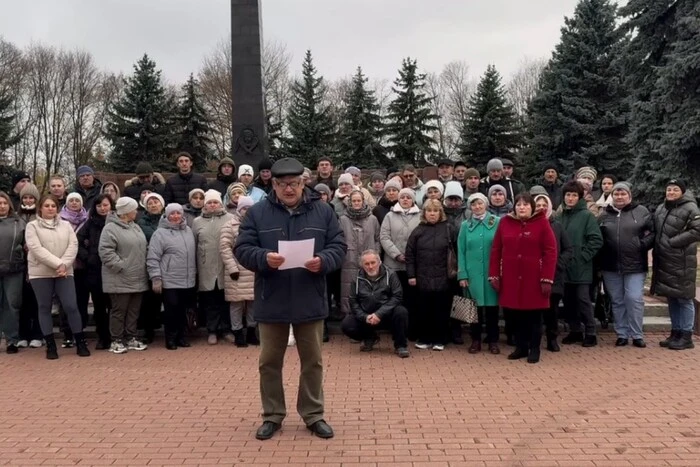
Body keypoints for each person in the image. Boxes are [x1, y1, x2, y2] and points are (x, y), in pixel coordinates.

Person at [234, 157, 346, 441]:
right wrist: (263, 258)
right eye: (283, 184)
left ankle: (313, 414)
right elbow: (243, 248)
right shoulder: (258, 213)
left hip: (310, 296)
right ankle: (272, 415)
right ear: (273, 184)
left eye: (294, 184)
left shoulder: (323, 211)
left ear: (303, 182)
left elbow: (339, 246)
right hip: (272, 297)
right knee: (269, 361)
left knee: (313, 361)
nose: (288, 189)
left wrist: (323, 260)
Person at [489, 193, 557, 364]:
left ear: (532, 207)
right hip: (511, 277)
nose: (521, 207)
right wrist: (494, 274)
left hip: (533, 278)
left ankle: (534, 349)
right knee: (514, 316)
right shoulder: (505, 222)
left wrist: (547, 278)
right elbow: (496, 249)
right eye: (518, 204)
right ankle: (521, 347)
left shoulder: (542, 223)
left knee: (533, 317)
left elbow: (550, 252)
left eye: (526, 204)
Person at [25, 195, 90, 359]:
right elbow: (36, 248)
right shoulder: (32, 226)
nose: (50, 208)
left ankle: (80, 341)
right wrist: (58, 264)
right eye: (46, 206)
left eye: (53, 206)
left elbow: (73, 245)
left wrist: (65, 264)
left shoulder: (66, 225)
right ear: (40, 208)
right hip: (41, 273)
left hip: (64, 272)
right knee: (44, 307)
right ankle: (51, 346)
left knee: (71, 306)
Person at [598, 182, 654, 348]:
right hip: (611, 265)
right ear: (612, 196)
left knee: (634, 298)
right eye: (616, 194)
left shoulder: (641, 212)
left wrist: (641, 245)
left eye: (623, 194)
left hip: (635, 264)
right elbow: (597, 238)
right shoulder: (603, 215)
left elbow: (652, 232)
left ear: (629, 196)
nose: (619, 197)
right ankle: (622, 333)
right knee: (617, 300)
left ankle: (636, 334)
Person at [652, 179, 700, 351]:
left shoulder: (690, 207)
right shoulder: (662, 207)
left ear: (682, 192)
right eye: (669, 189)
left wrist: (673, 243)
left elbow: (697, 230)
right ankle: (676, 332)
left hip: (682, 260)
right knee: (671, 297)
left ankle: (686, 335)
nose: (671, 192)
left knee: (684, 298)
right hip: (665, 260)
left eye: (675, 189)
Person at [99, 197, 149, 354]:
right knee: (119, 311)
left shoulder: (135, 227)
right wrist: (122, 266)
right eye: (134, 209)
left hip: (138, 276)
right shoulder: (110, 229)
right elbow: (106, 252)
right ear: (126, 212)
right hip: (119, 278)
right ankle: (116, 340)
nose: (136, 212)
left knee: (134, 310)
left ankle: (131, 337)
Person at [558, 181, 603, 347]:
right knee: (568, 301)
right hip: (564, 267)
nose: (570, 198)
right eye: (568, 195)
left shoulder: (586, 216)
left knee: (582, 299)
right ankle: (575, 330)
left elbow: (596, 239)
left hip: (581, 267)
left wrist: (584, 256)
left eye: (574, 195)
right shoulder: (560, 216)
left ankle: (590, 331)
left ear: (580, 197)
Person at [341, 249, 409, 357]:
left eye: (373, 262)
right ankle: (370, 337)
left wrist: (379, 314)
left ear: (379, 262)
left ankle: (400, 345)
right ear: (362, 265)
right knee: (347, 324)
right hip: (367, 316)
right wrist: (365, 317)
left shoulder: (390, 275)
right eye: (366, 264)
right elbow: (353, 301)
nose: (370, 266)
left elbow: (397, 297)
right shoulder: (356, 278)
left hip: (387, 315)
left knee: (401, 312)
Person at [405, 199, 453, 351]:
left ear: (441, 213)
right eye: (429, 211)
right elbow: (410, 254)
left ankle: (440, 339)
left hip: (443, 277)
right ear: (424, 213)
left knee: (441, 309)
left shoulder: (448, 229)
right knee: (424, 309)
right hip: (422, 277)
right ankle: (425, 338)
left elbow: (456, 252)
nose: (432, 214)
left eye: (436, 211)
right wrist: (411, 275)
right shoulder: (418, 231)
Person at [147, 203, 196, 350]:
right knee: (171, 311)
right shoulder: (160, 233)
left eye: (178, 213)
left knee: (183, 310)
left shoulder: (188, 230)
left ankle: (182, 336)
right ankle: (171, 338)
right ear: (167, 215)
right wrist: (156, 278)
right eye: (172, 214)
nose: (175, 216)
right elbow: (153, 257)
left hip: (187, 279)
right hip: (170, 280)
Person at [457, 193, 501, 354]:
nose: (477, 207)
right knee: (472, 311)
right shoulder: (465, 226)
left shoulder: (497, 222)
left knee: (492, 311)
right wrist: (462, 274)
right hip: (472, 275)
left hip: (491, 274)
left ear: (486, 204)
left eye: (480, 204)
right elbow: (460, 251)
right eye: (473, 204)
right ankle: (475, 340)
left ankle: (493, 340)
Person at [193, 190, 235, 345]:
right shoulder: (197, 222)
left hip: (225, 265)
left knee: (226, 299)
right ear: (205, 205)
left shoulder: (230, 218)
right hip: (206, 267)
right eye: (209, 203)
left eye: (215, 202)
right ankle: (212, 330)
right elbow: (194, 244)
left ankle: (226, 329)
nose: (212, 205)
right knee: (210, 301)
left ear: (220, 203)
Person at [533, 193, 573, 352]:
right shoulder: (529, 224)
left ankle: (552, 339)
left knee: (552, 310)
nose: (542, 208)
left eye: (544, 205)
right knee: (534, 311)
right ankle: (533, 339)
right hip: (533, 275)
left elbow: (568, 249)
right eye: (538, 205)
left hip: (554, 275)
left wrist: (557, 264)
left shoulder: (557, 225)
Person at [379, 187, 421, 338]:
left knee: (412, 298)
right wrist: (396, 254)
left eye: (408, 197)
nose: (405, 199)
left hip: (413, 265)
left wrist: (412, 256)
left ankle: (411, 329)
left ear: (413, 200)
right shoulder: (390, 216)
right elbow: (384, 237)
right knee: (394, 296)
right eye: (402, 197)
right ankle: (394, 329)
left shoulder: (420, 216)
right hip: (393, 264)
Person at [76, 194, 114, 350]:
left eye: (105, 205)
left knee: (114, 305)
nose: (102, 208)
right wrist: (88, 257)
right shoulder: (89, 224)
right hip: (94, 270)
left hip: (113, 270)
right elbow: (77, 242)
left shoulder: (117, 222)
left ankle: (115, 335)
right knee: (99, 306)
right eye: (99, 206)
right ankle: (102, 336)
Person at [220, 196, 256, 347]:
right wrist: (232, 268)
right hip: (236, 272)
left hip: (253, 270)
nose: (247, 211)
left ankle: (252, 333)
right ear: (239, 209)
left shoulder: (257, 224)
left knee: (253, 303)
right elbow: (225, 248)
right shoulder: (229, 226)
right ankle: (238, 333)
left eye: (249, 208)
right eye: (244, 208)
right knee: (236, 304)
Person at [339, 190, 380, 317]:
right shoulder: (343, 219)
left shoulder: (372, 219)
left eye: (359, 200)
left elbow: (378, 239)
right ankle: (349, 315)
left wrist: (376, 254)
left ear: (363, 202)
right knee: (348, 288)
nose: (356, 203)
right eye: (354, 201)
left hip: (369, 261)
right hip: (349, 260)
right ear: (350, 202)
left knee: (369, 289)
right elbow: (339, 239)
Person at [16, 183, 42, 349]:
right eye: (25, 197)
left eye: (31, 197)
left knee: (38, 300)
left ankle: (37, 334)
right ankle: (22, 334)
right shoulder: (16, 217)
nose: (28, 200)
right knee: (22, 301)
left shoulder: (40, 217)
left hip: (37, 262)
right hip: (20, 264)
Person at [0, 191, 25, 354]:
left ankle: (12, 340)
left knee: (12, 304)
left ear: (9, 204)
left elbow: (26, 244)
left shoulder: (19, 222)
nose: (1, 206)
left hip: (13, 270)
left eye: (4, 203)